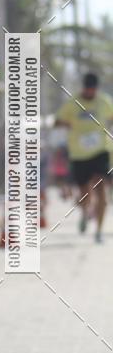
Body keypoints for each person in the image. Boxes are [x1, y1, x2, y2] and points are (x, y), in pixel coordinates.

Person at [55, 72, 113, 242]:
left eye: (93, 90)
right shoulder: (72, 103)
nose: (90, 93)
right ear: (83, 88)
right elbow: (57, 121)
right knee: (84, 195)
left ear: (96, 89)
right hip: (79, 155)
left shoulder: (104, 102)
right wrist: (67, 123)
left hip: (100, 152)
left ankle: (99, 231)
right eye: (87, 90)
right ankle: (85, 211)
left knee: (101, 189)